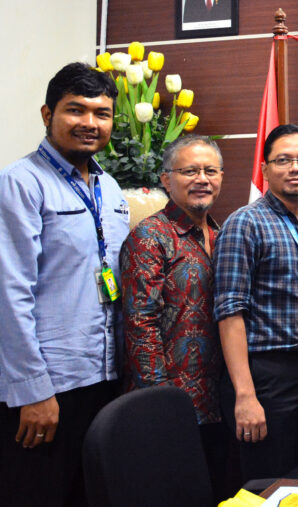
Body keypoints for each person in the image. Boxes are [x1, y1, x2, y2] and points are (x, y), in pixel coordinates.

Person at [0, 62, 130, 505]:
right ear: (47, 114)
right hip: (49, 388)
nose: (90, 123)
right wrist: (32, 390)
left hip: (104, 378)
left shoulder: (110, 188)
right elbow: (10, 294)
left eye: (102, 113)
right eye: (76, 110)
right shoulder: (21, 183)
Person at [213, 124, 298, 483]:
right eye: (283, 160)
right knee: (266, 485)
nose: (295, 168)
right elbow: (229, 313)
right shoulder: (245, 223)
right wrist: (245, 395)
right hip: (263, 376)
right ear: (265, 169)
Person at [119, 134, 232, 499]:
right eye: (189, 171)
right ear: (166, 179)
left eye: (210, 171)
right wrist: (161, 404)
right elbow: (140, 324)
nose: (202, 179)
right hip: (172, 407)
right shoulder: (150, 237)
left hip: (218, 402)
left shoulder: (221, 234)